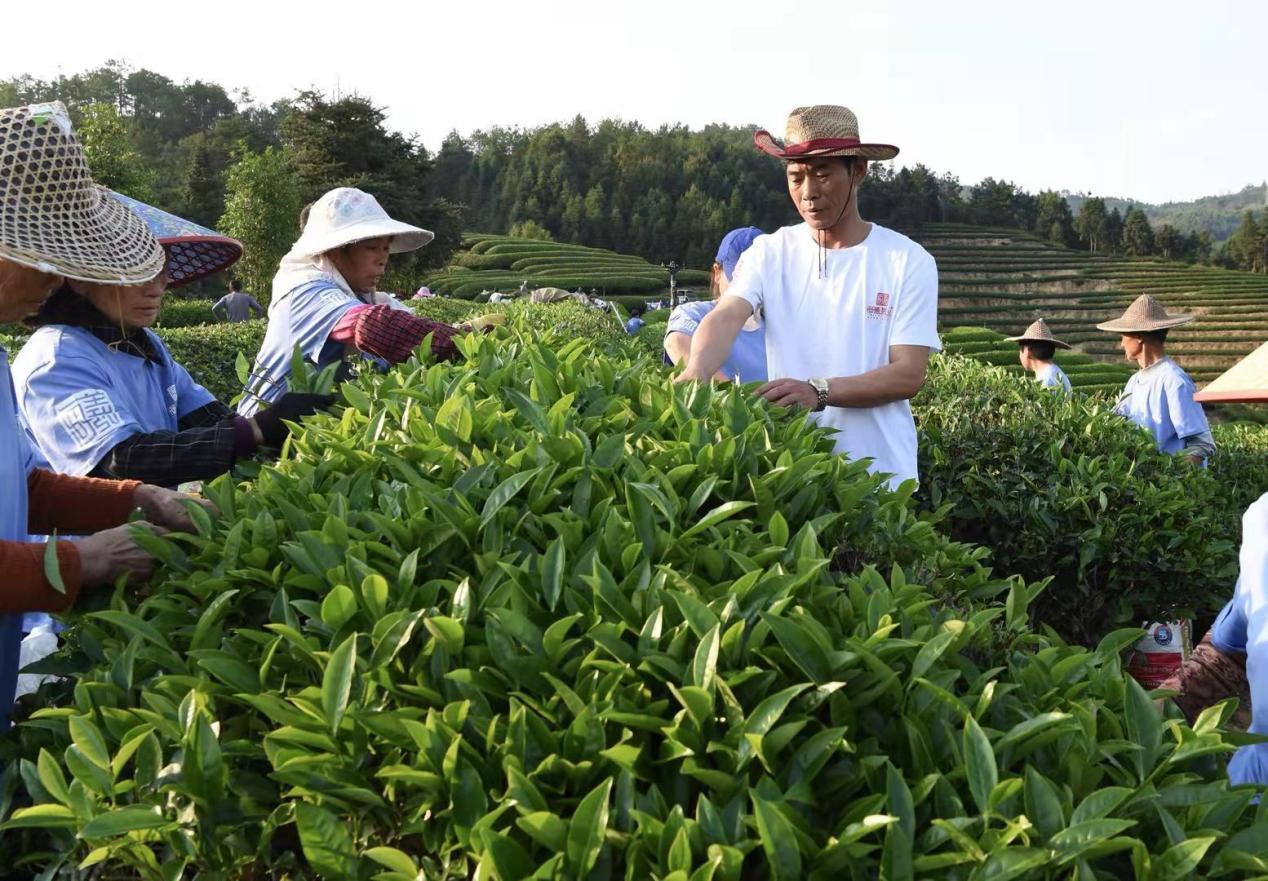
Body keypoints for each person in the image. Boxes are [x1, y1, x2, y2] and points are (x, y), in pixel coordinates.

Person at [0, 101, 205, 724]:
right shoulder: (53, 353)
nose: (57, 274)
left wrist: (138, 499)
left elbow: (25, 485)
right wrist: (82, 561)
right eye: (41, 254)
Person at [676, 105, 940, 487]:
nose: (808, 192)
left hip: (881, 479)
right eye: (796, 177)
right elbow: (728, 314)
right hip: (794, 474)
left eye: (822, 175)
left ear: (858, 171)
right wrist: (697, 369)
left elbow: (908, 374)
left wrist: (819, 392)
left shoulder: (907, 261)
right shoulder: (770, 252)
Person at [12, 195, 335, 488]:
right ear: (82, 279)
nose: (156, 287)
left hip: (148, 532)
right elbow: (119, 461)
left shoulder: (144, 345)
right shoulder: (58, 357)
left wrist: (284, 429)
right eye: (136, 270)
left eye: (161, 269)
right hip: (83, 548)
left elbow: (206, 417)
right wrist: (255, 430)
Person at [238, 187, 468, 418]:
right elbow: (372, 326)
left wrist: (469, 335)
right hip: (262, 437)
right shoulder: (304, 288)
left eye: (386, 248)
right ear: (336, 252)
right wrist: (460, 345)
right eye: (371, 248)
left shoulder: (358, 296)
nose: (382, 260)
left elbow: (411, 324)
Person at [1096, 294, 1214, 465]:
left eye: (1123, 336)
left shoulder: (1174, 381)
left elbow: (1201, 443)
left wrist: (1172, 477)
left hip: (1170, 487)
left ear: (1139, 336)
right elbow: (1117, 419)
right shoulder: (1134, 381)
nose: (1121, 343)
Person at [664, 227, 768, 383]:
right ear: (718, 272)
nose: (748, 288)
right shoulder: (694, 313)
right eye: (741, 278)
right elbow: (677, 342)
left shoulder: (776, 324)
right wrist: (738, 400)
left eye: (757, 279)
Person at [1005, 318, 1071, 393]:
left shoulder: (1046, 382)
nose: (1020, 355)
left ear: (1027, 351)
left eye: (1020, 350)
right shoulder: (1057, 374)